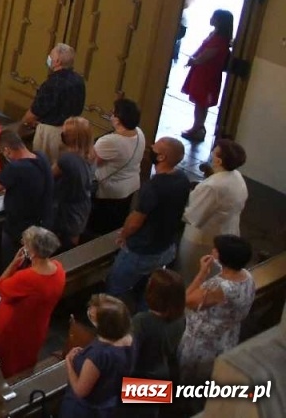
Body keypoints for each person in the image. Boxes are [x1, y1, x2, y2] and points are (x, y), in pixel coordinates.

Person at [106, 137, 190, 301]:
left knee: (115, 286)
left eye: (155, 148)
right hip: (166, 246)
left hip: (142, 250)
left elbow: (136, 221)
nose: (150, 148)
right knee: (151, 290)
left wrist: (124, 235)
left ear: (161, 157)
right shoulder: (182, 178)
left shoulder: (153, 187)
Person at [178, 233, 255, 382]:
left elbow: (186, 300)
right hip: (227, 335)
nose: (213, 250)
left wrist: (202, 273)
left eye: (216, 249)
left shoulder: (219, 287)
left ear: (224, 257)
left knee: (191, 380)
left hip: (204, 344)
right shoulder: (247, 276)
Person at [0, 226, 66, 378]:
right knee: (26, 360)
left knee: (8, 363)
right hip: (37, 326)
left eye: (25, 243)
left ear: (32, 251)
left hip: (14, 327)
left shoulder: (27, 278)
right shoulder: (59, 269)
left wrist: (13, 263)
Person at [0, 129, 54, 264]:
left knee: (13, 262)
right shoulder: (41, 157)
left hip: (19, 229)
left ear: (7, 150)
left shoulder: (16, 168)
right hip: (43, 222)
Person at [180, 138, 248, 281]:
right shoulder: (236, 176)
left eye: (214, 152)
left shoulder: (212, 186)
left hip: (203, 239)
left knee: (193, 276)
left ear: (218, 161)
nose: (211, 153)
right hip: (227, 231)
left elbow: (193, 217)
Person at [61, 294, 135, 418]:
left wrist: (68, 362)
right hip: (109, 402)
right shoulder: (129, 340)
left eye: (92, 316)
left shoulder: (98, 355)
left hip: (84, 411)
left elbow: (80, 391)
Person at [90, 97, 146, 234]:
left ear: (118, 120)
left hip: (110, 191)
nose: (111, 115)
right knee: (117, 223)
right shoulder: (139, 132)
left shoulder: (110, 141)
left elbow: (92, 162)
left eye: (113, 113)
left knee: (99, 227)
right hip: (130, 187)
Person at [23, 43, 85, 164]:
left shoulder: (52, 84)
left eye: (51, 55)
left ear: (57, 61)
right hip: (72, 130)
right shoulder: (78, 80)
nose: (49, 57)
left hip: (51, 134)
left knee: (44, 165)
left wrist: (24, 122)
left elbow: (35, 111)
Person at [181, 9, 233, 142]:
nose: (211, 18)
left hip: (207, 75)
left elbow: (206, 56)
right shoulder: (215, 35)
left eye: (214, 17)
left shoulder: (219, 40)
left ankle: (197, 127)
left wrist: (194, 60)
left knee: (201, 102)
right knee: (200, 102)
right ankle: (198, 126)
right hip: (202, 72)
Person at [129, 268, 186, 383]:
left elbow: (129, 356)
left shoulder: (141, 321)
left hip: (142, 381)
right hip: (165, 375)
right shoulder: (181, 318)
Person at [52, 116, 95, 248]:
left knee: (61, 245)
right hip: (82, 207)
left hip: (66, 211)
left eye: (64, 133)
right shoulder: (91, 154)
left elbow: (49, 176)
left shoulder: (67, 159)